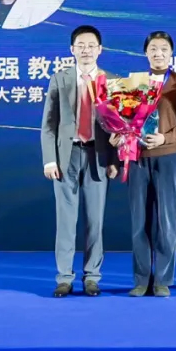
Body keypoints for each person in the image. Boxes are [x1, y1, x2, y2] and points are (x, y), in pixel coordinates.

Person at [40, 25, 119, 297]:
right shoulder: (59, 79)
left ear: (100, 49)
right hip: (67, 156)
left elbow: (118, 127)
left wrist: (115, 160)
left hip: (99, 156)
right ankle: (64, 277)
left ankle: (92, 277)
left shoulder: (112, 81)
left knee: (95, 221)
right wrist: (50, 160)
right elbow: (49, 123)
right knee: (66, 220)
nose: (86, 50)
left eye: (91, 45)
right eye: (81, 46)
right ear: (72, 49)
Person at [121, 32, 176, 297]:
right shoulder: (133, 82)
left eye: (164, 49)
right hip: (139, 158)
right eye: (153, 48)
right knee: (139, 220)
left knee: (166, 219)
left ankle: (162, 279)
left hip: (169, 156)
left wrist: (165, 137)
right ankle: (142, 279)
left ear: (171, 53)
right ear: (145, 53)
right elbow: (123, 117)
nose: (158, 53)